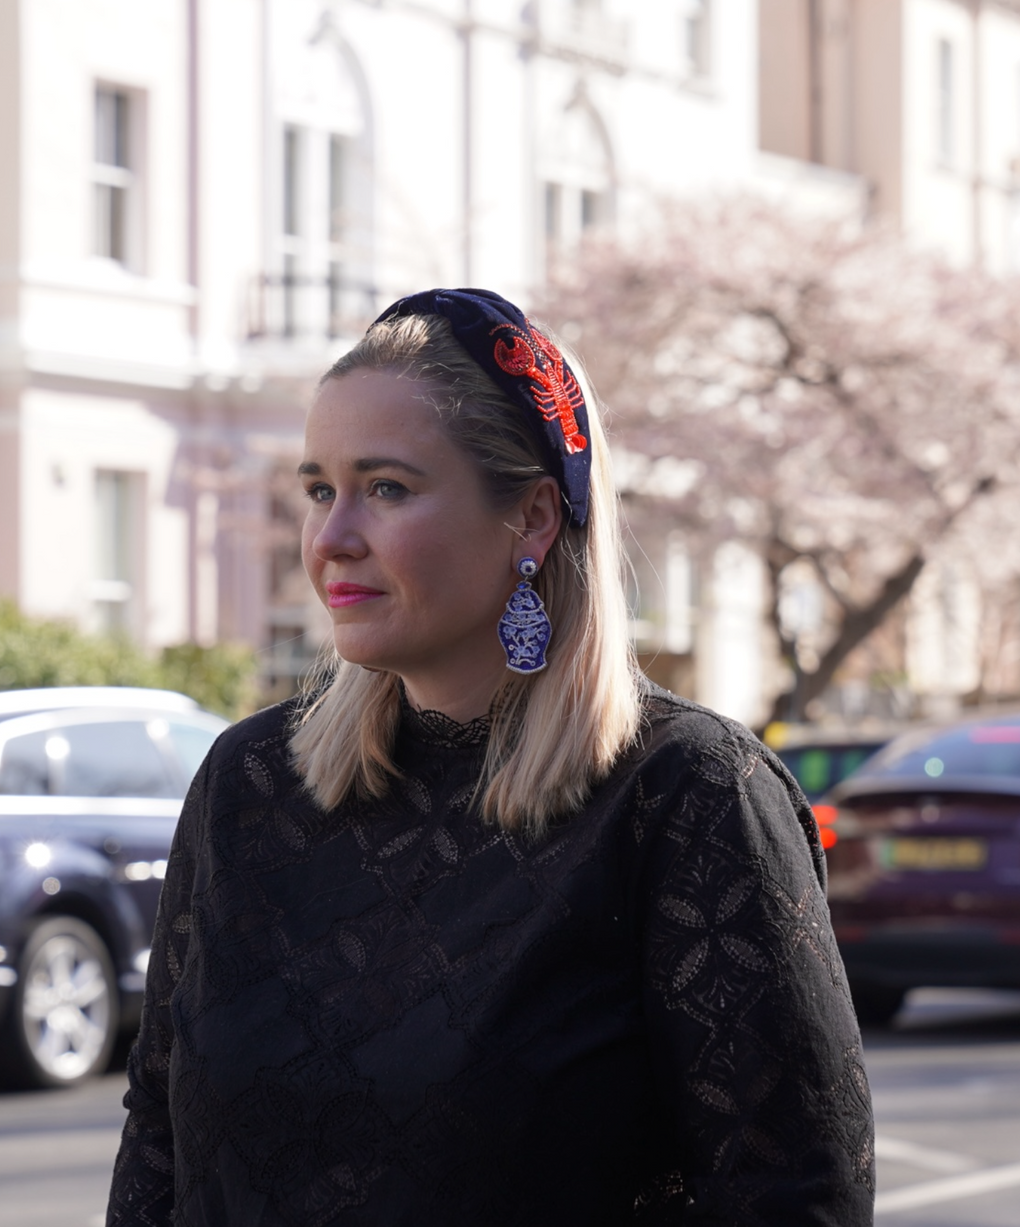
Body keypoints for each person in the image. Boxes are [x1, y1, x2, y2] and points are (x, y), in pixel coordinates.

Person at [107, 289, 875, 1227]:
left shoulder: (688, 797)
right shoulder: (248, 783)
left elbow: (793, 1198)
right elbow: (158, 1135)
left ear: (534, 519)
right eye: (318, 489)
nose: (330, 539)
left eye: (385, 487)